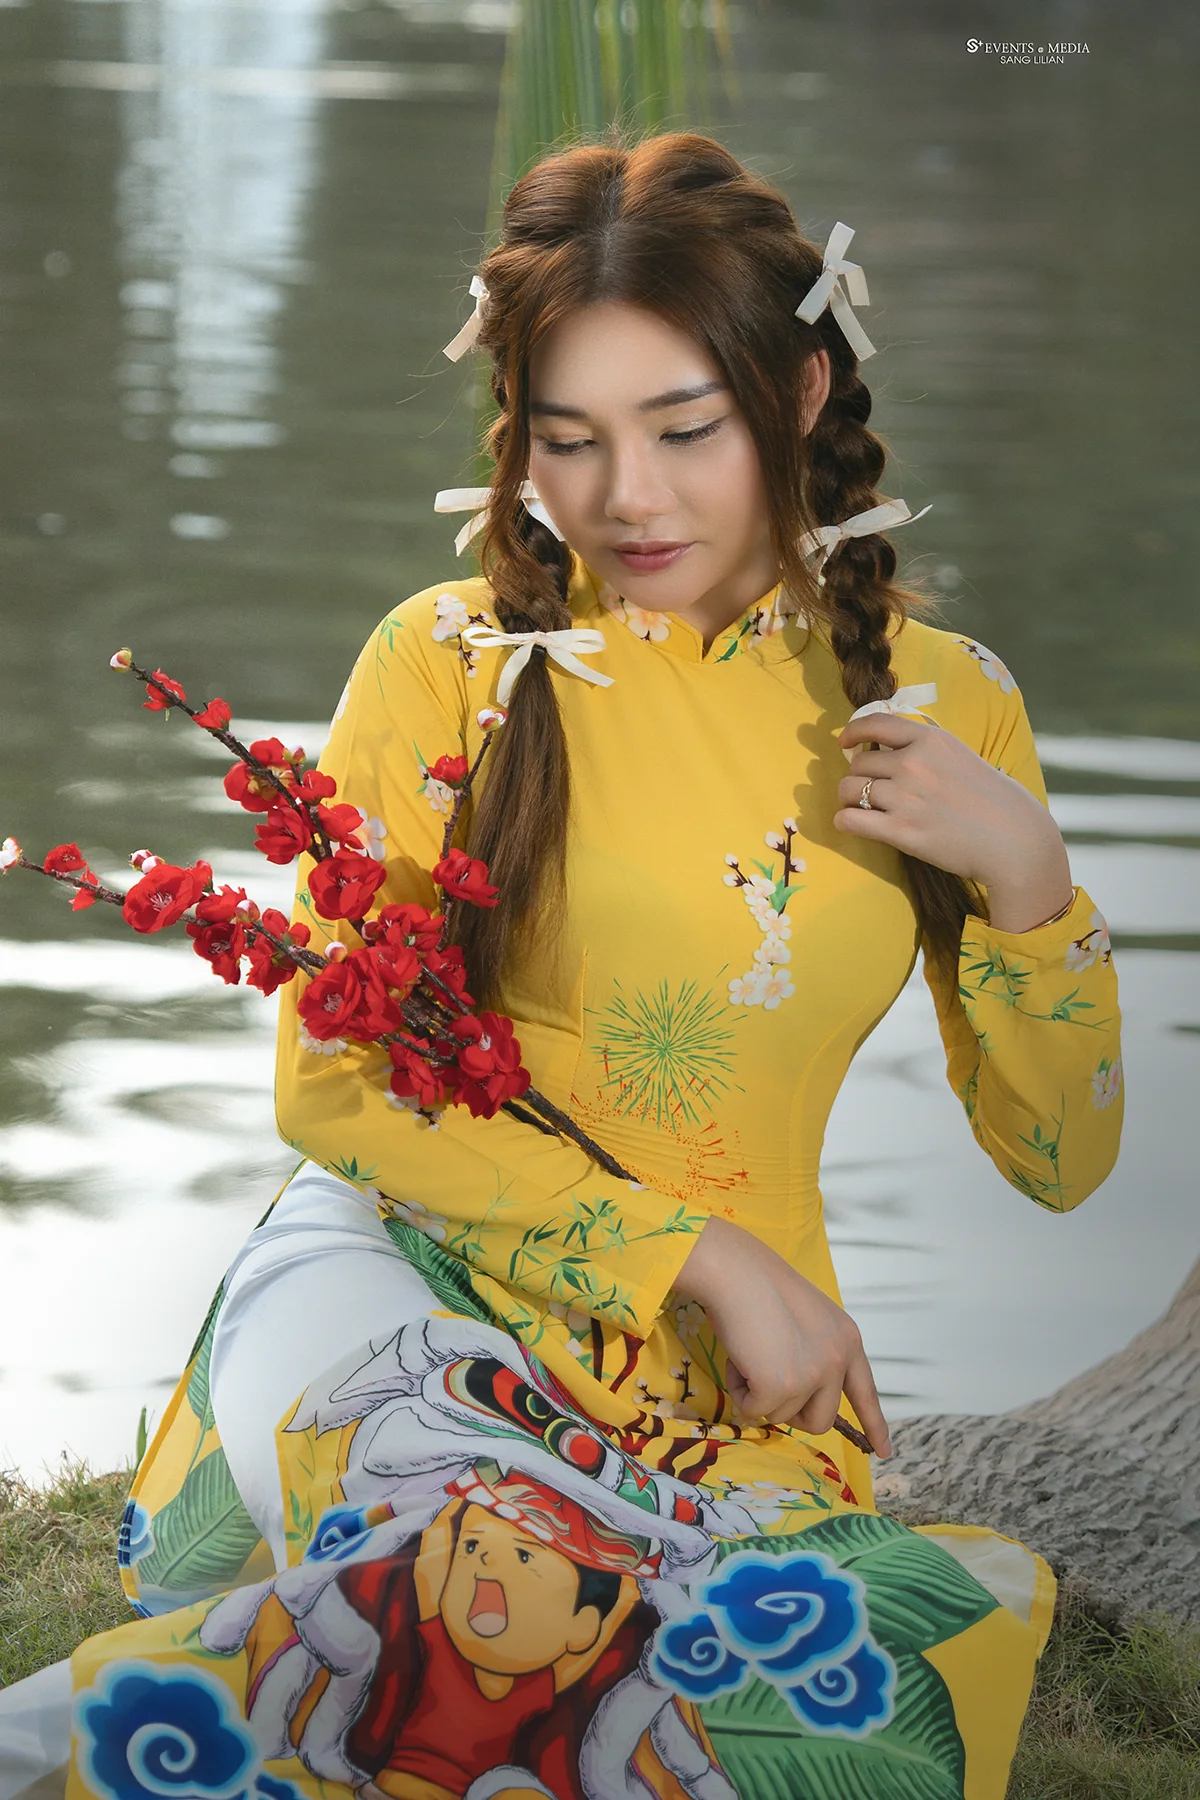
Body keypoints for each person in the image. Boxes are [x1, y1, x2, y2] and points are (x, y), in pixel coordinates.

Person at [0, 132, 1123, 1800]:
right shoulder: (445, 662)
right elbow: (338, 1084)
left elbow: (1060, 1159)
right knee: (490, 1584)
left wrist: (1031, 885)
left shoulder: (942, 706)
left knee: (872, 1656)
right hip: (403, 1281)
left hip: (722, 1397)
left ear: (802, 389)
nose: (626, 499)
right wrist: (699, 1254)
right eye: (569, 437)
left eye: (685, 428)